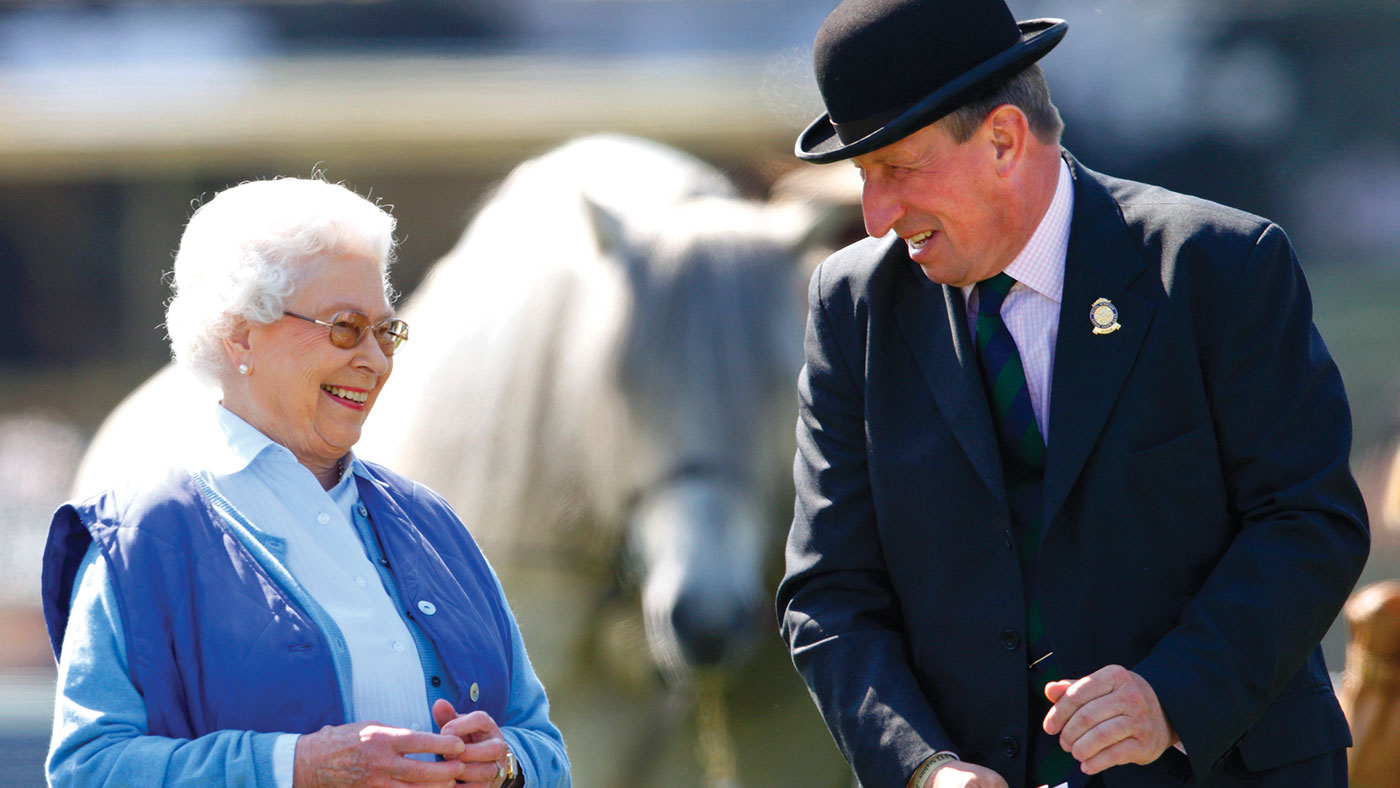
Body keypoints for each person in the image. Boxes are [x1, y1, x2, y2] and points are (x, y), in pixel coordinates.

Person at [774, 1, 1370, 788]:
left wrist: (1171, 697)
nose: (877, 217)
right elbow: (830, 593)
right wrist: (923, 769)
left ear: (1003, 140)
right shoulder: (850, 306)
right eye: (863, 178)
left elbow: (1308, 521)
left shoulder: (1219, 267)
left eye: (898, 169)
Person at [41, 177, 570, 788]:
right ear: (240, 334)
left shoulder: (432, 521)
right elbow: (89, 769)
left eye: (385, 331)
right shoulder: (138, 536)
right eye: (344, 326)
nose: (373, 358)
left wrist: (507, 764)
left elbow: (541, 738)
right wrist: (295, 767)